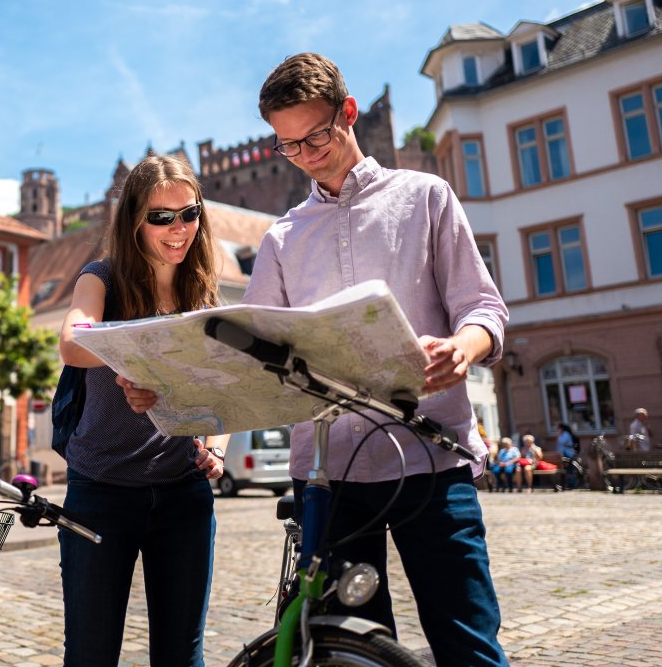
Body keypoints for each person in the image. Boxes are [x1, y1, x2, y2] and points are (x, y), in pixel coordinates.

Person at [242, 53, 510, 666]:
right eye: (289, 146)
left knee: (468, 645)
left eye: (316, 135)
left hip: (432, 458)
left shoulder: (425, 197)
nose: (307, 155)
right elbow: (258, 347)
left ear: (350, 112)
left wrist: (462, 349)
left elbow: (484, 309)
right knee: (350, 656)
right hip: (328, 478)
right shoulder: (282, 237)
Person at [57, 154, 228, 667]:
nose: (179, 229)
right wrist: (136, 363)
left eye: (189, 213)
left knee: (182, 655)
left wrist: (215, 448)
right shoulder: (101, 278)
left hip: (183, 495)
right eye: (162, 217)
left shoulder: (201, 291)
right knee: (91, 653)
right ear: (135, 219)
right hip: (100, 490)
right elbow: (72, 342)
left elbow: (221, 390)